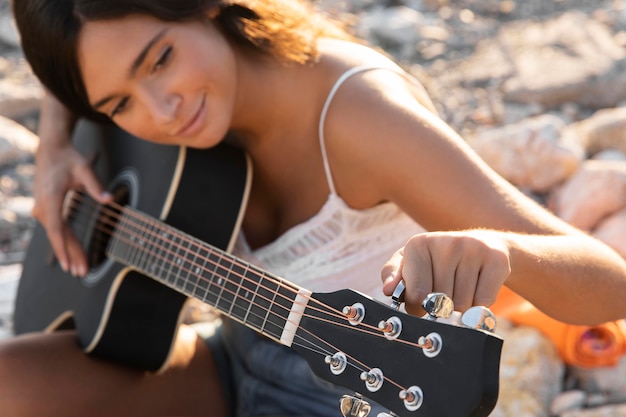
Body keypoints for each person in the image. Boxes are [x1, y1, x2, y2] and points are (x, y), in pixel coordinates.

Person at [2, 0, 626, 416]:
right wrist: (55, 147)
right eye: (118, 106)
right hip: (234, 357)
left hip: (372, 387)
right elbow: (83, 49)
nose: (159, 110)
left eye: (160, 59)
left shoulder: (362, 120)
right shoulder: (169, 103)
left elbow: (611, 284)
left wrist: (506, 251)